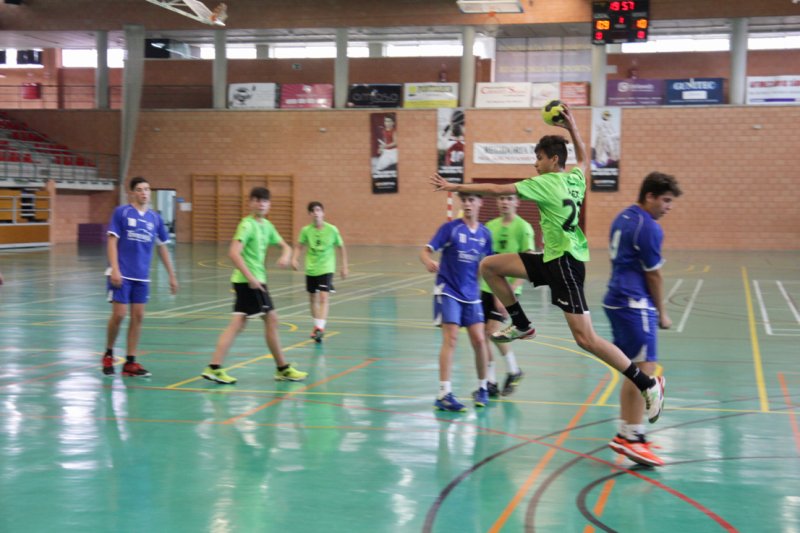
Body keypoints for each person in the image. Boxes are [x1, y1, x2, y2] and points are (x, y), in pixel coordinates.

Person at [429, 104, 665, 423]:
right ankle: (523, 324)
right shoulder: (575, 179)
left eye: (539, 157)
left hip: (565, 265)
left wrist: (455, 187)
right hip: (553, 258)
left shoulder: (546, 182)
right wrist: (573, 129)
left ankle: (647, 384)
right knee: (490, 266)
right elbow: (583, 158)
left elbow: (497, 189)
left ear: (553, 160)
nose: (535, 163)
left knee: (586, 339)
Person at [605, 172, 682, 467]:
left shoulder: (624, 217)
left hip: (616, 299)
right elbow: (654, 274)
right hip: (634, 302)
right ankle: (634, 439)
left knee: (633, 371)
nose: (668, 207)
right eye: (665, 200)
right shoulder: (648, 227)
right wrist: (661, 312)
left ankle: (627, 433)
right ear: (649, 196)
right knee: (645, 374)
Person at [202, 186, 308, 385]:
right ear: (250, 202)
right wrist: (250, 277)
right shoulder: (247, 225)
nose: (261, 203)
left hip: (253, 281)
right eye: (257, 200)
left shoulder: (266, 226)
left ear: (269, 205)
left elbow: (284, 245)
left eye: (265, 201)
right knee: (272, 320)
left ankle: (214, 367)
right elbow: (233, 253)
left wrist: (286, 256)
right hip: (250, 282)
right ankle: (282, 368)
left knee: (238, 324)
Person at [419, 192, 493, 412]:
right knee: (450, 338)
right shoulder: (450, 229)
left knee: (480, 341)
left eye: (472, 200)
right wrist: (428, 261)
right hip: (448, 290)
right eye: (465, 200)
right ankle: (444, 393)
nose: (467, 203)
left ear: (480, 203)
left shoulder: (485, 234)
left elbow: (487, 267)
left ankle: (482, 388)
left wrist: (494, 295)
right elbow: (425, 251)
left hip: (471, 294)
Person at [103, 176, 178, 377]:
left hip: (141, 276)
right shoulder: (122, 212)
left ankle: (130, 362)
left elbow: (162, 247)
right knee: (119, 315)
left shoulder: (155, 218)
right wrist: (115, 269)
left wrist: (172, 275)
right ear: (132, 193)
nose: (144, 193)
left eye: (147, 189)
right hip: (122, 272)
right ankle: (108, 353)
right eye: (140, 189)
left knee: (138, 317)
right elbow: (112, 242)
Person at [480, 193, 534, 397]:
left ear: (517, 202)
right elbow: (484, 258)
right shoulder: (490, 226)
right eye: (501, 198)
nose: (504, 202)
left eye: (509, 198)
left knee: (490, 332)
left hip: (505, 291)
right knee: (486, 335)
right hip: (485, 287)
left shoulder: (523, 228)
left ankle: (494, 380)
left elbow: (528, 266)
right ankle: (509, 373)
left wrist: (510, 293)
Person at [291, 201, 349, 343]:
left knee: (323, 297)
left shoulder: (332, 230)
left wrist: (344, 266)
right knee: (312, 298)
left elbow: (341, 247)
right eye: (313, 210)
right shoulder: (306, 230)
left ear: (323, 212)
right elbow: (299, 246)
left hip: (326, 267)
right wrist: (294, 258)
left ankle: (320, 329)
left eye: (318, 210)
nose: (316, 212)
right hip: (311, 268)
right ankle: (317, 326)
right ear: (310, 214)